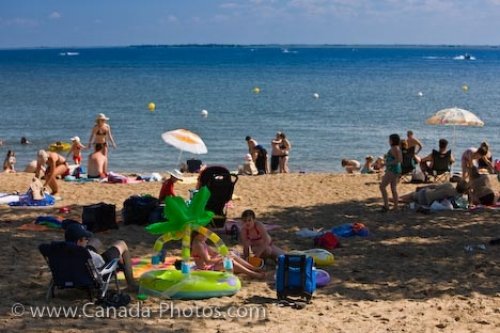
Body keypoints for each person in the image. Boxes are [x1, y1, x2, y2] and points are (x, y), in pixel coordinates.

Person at [63, 222, 137, 291]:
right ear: (79, 241)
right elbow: (101, 263)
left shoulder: (61, 252)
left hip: (74, 276)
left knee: (95, 241)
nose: (87, 240)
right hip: (95, 275)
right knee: (121, 244)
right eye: (86, 238)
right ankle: (131, 284)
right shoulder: (86, 254)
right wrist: (118, 261)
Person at [191, 231, 265, 279]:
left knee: (231, 254)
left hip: (209, 265)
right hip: (205, 269)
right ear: (199, 234)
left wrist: (224, 253)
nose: (207, 236)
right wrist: (222, 257)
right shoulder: (198, 245)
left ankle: (253, 268)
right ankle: (253, 274)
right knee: (229, 261)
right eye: (206, 234)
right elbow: (208, 261)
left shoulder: (201, 242)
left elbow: (213, 253)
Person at [379, 134, 402, 212]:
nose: (388, 141)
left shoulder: (395, 148)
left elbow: (399, 160)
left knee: (382, 186)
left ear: (392, 140)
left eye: (389, 139)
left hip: (392, 170)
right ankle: (395, 207)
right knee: (393, 188)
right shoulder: (397, 148)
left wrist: (386, 164)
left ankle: (386, 206)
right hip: (396, 170)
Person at [399, 180, 468, 206]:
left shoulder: (448, 186)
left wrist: (421, 187)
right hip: (427, 203)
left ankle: (395, 198)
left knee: (412, 195)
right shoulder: (458, 198)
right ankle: (398, 200)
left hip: (425, 194)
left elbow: (434, 186)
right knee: (412, 200)